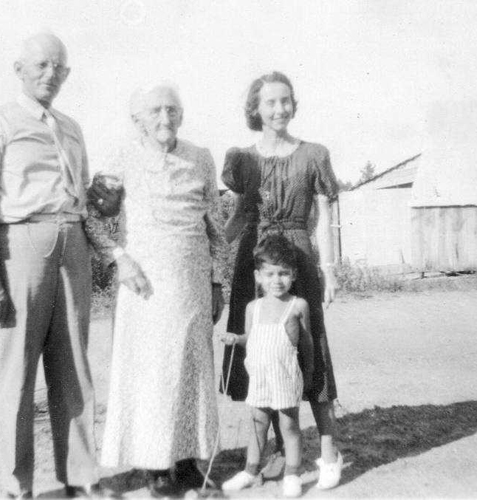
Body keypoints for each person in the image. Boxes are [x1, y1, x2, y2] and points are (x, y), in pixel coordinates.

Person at [0, 33, 107, 498]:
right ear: (18, 68)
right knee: (17, 373)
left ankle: (80, 478)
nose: (50, 74)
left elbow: (82, 196)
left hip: (72, 245)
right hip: (19, 247)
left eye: (59, 67)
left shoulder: (72, 127)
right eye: (41, 65)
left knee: (74, 368)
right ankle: (17, 486)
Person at [85, 82, 226, 497]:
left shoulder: (200, 158)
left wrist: (217, 280)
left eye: (173, 110)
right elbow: (90, 217)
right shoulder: (121, 156)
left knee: (191, 370)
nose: (165, 118)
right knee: (152, 373)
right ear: (137, 120)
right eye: (155, 111)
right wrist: (118, 258)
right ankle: (155, 467)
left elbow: (215, 227)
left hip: (193, 282)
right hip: (143, 284)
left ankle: (187, 463)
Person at [220, 71, 343, 489]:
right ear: (255, 108)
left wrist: (329, 270)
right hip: (252, 264)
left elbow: (324, 219)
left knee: (310, 349)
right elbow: (238, 217)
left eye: (285, 101)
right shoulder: (242, 158)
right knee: (262, 356)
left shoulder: (313, 155)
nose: (279, 109)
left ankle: (329, 449)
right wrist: (208, 253)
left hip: (298, 261)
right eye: (270, 102)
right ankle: (268, 454)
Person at [220, 235, 313, 498]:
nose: (277, 280)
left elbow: (307, 344)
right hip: (259, 376)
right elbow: (251, 338)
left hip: (285, 377)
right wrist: (235, 339)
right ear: (258, 276)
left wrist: (309, 373)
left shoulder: (298, 306)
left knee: (289, 426)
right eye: (270, 274)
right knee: (258, 423)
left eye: (283, 273)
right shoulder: (253, 307)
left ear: (293, 275)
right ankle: (250, 471)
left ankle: (292, 474)